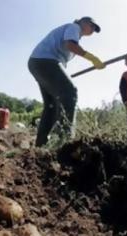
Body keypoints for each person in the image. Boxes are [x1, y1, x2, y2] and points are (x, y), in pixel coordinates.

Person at [28, 16, 106, 147]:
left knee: (51, 106)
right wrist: (92, 58)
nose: (93, 30)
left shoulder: (74, 34)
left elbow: (65, 51)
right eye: (92, 26)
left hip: (37, 62)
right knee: (70, 93)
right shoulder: (74, 27)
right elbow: (69, 45)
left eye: (95, 29)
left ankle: (40, 146)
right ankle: (65, 143)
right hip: (46, 61)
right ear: (83, 22)